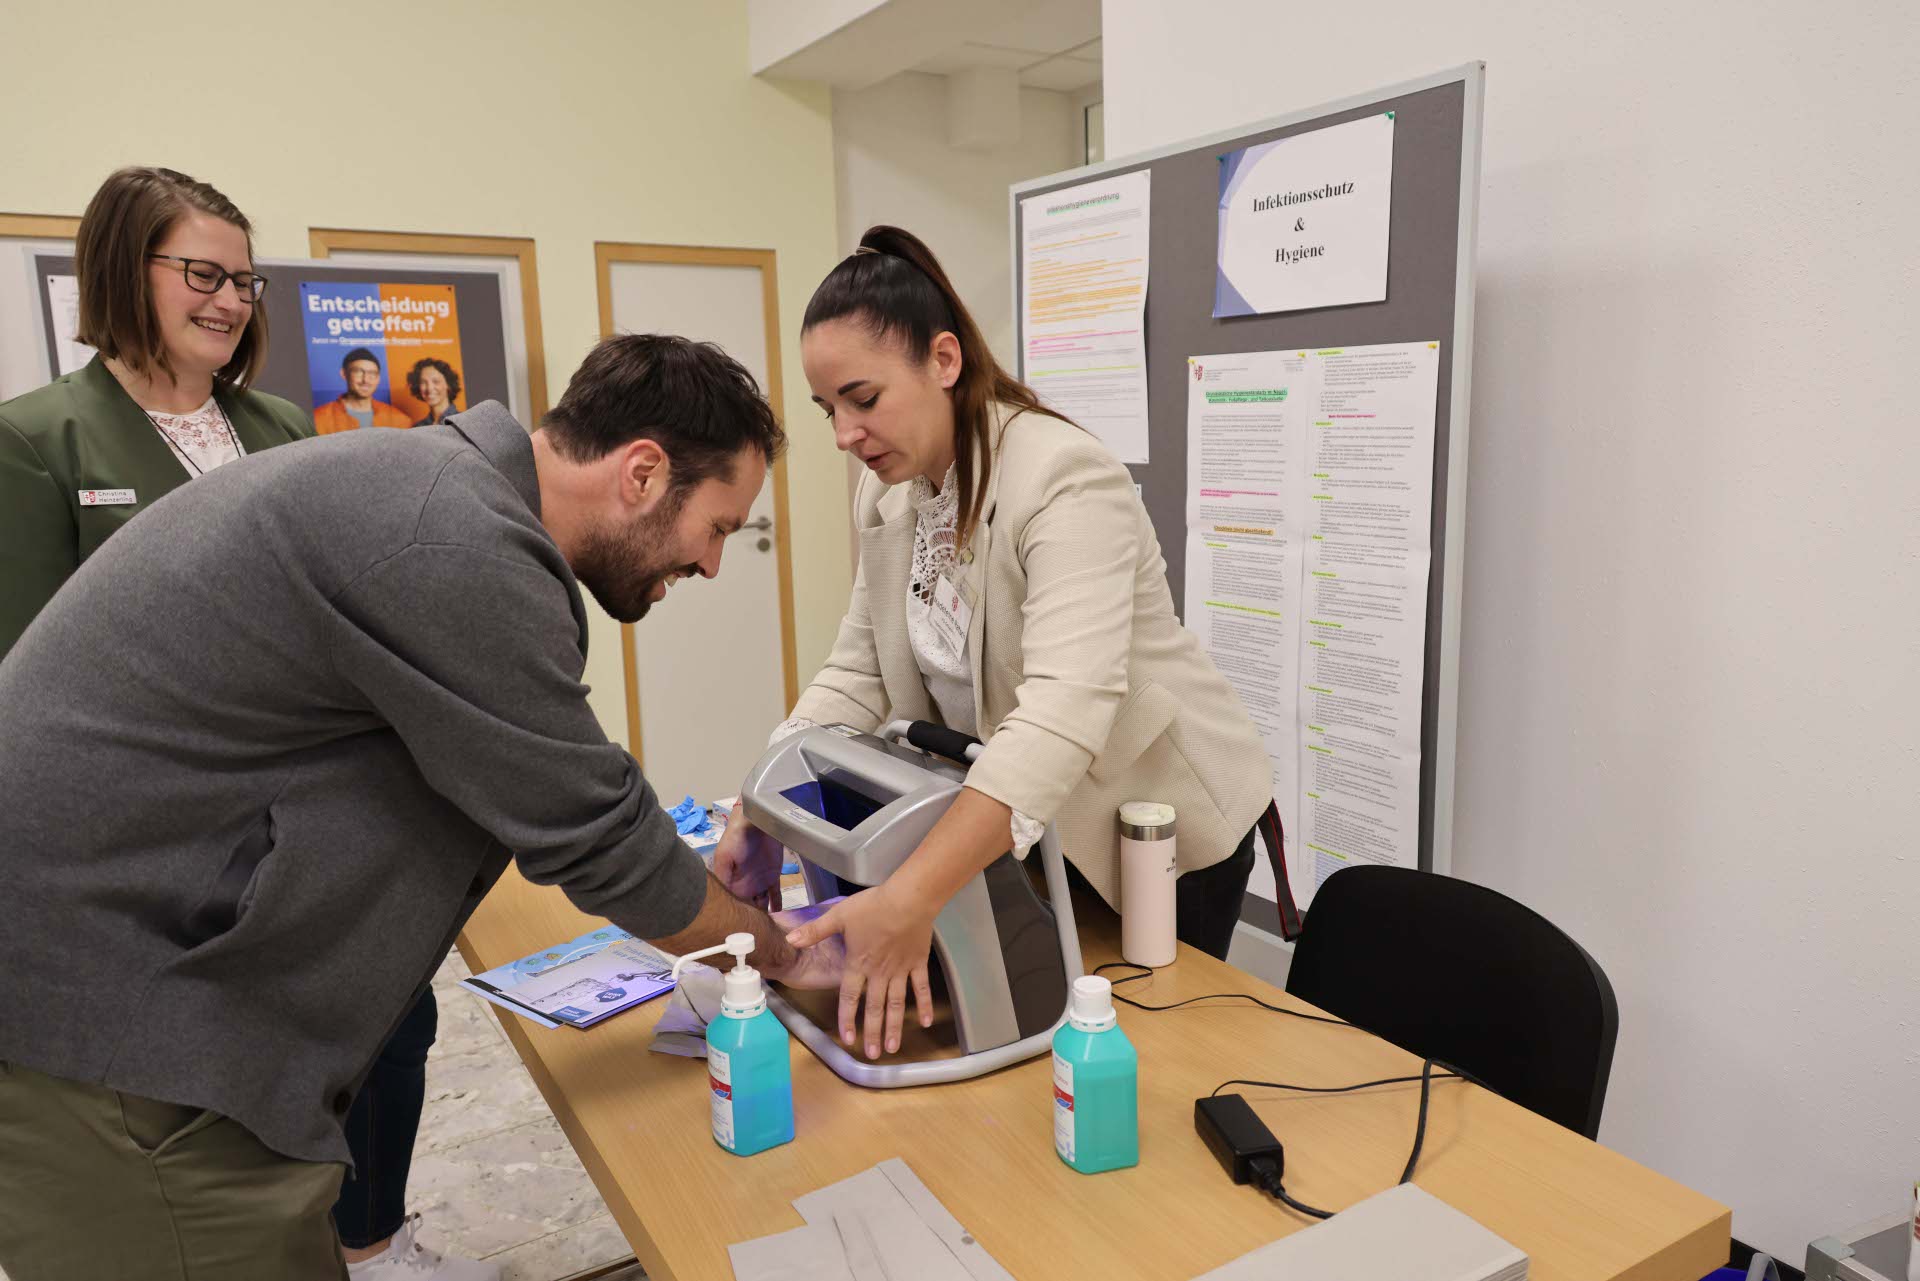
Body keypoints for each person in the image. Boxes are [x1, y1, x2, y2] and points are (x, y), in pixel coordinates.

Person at [0, 332, 841, 1281]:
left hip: (118, 973)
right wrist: (780, 951)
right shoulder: (450, 536)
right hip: (112, 1024)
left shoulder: (436, 490)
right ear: (643, 473)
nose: (717, 564)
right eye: (722, 527)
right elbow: (597, 832)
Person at [0, 166, 500, 1281]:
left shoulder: (279, 426)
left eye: (242, 278)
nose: (229, 301)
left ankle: (373, 1239)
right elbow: (29, 675)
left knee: (392, 1018)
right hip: (156, 852)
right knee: (218, 1078)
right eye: (202, 274)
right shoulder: (41, 441)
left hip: (317, 824)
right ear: (126, 272)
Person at [714, 226, 1284, 1065]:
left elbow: (1060, 713)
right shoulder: (890, 493)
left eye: (862, 399)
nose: (843, 433)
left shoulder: (1061, 478)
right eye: (827, 408)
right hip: (1029, 830)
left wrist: (911, 896)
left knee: (1143, 1050)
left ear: (943, 360)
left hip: (1152, 830)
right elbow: (856, 672)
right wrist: (759, 806)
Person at [314, 347, 413, 432]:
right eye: (358, 372)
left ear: (378, 378)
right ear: (344, 374)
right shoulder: (319, 419)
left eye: (372, 373)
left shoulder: (399, 420)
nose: (365, 380)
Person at [408, 356, 461, 425]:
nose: (429, 388)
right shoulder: (418, 427)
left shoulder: (463, 422)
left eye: (436, 381)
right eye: (423, 382)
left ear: (448, 384)